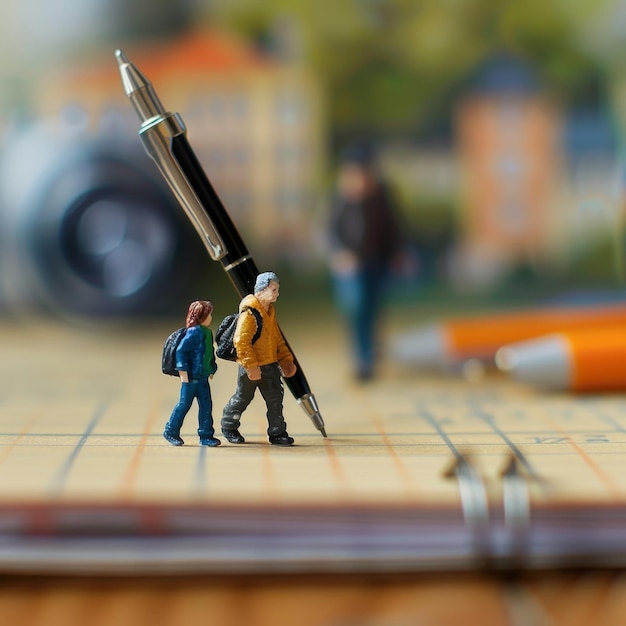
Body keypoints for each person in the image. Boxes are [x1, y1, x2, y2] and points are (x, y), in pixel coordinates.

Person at [328, 142, 406, 381]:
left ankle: (370, 355)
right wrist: (340, 254)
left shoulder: (383, 196)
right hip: (350, 268)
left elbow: (395, 228)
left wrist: (397, 254)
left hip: (378, 264)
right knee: (356, 307)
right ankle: (362, 360)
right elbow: (329, 232)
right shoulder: (340, 199)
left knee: (372, 310)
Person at [221, 272, 297, 446]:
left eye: (277, 290)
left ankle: (277, 432)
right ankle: (229, 426)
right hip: (251, 368)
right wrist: (251, 366)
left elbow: (277, 339)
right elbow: (241, 342)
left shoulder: (269, 312)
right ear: (261, 291)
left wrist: (286, 360)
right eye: (274, 290)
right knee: (243, 398)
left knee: (275, 399)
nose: (277, 293)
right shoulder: (249, 314)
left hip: (270, 365)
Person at [164, 300, 220, 447]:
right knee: (184, 405)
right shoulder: (193, 333)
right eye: (208, 314)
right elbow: (181, 351)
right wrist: (183, 373)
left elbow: (209, 352)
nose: (210, 317)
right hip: (190, 379)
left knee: (206, 406)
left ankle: (206, 435)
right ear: (201, 316)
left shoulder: (207, 332)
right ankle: (171, 431)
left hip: (203, 378)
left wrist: (212, 368)